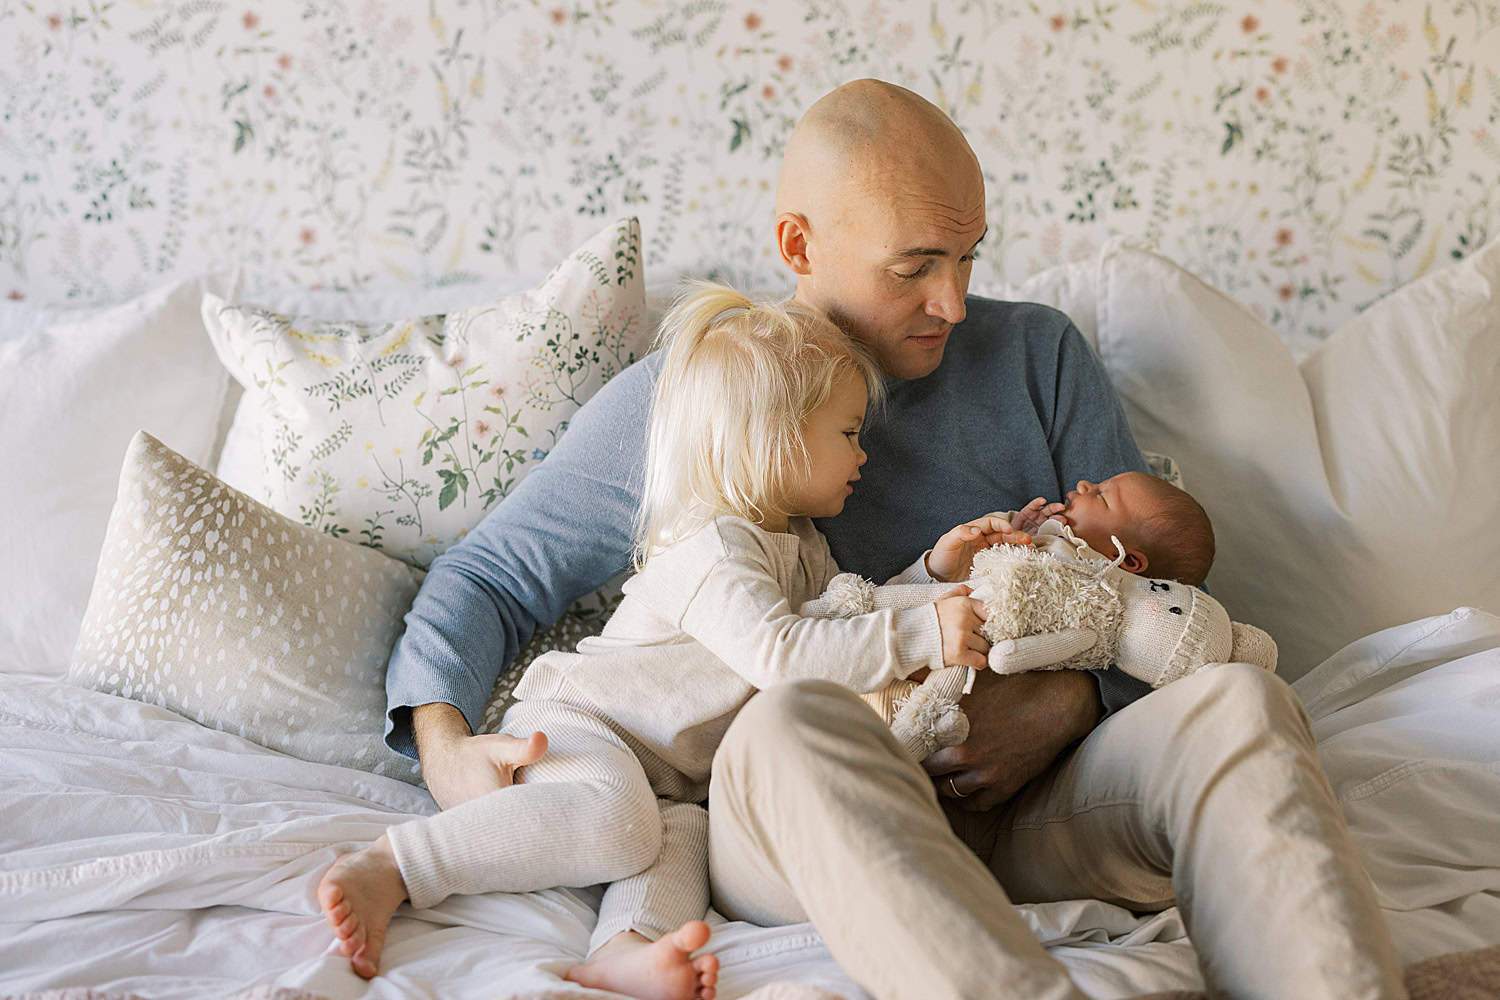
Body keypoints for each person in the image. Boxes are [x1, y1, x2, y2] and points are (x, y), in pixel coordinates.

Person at [386, 79, 1406, 998]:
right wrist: (445, 752)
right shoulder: (692, 398)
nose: (953, 303)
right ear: (799, 246)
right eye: (917, 266)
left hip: (1050, 804)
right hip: (805, 818)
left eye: (968, 258)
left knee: (1242, 698)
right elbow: (488, 574)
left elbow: (1146, 593)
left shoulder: (1039, 356)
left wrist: (1069, 700)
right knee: (794, 720)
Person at [321, 284, 1019, 994]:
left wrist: (931, 574)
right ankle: (396, 865)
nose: (861, 455)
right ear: (771, 439)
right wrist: (922, 630)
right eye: (846, 434)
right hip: (584, 726)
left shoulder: (800, 544)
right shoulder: (710, 547)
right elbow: (781, 656)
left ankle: (623, 953)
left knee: (677, 846)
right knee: (620, 821)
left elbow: (837, 623)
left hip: (674, 777)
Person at [1008, 470, 1215, 585]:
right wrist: (1022, 534)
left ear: (1126, 558)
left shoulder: (1094, 593)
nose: (1083, 484)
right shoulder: (1052, 538)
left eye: (1101, 496)